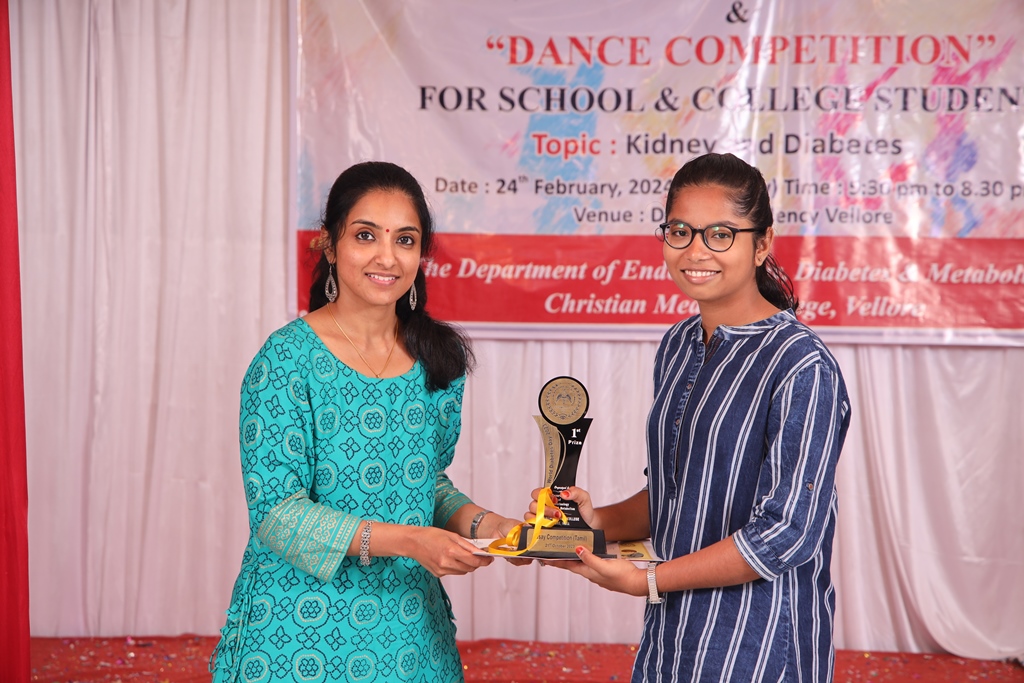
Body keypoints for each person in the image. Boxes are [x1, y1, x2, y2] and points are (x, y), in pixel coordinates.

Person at [531, 153, 851, 682]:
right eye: (680, 231)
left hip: (759, 646)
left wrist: (647, 580)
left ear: (762, 244)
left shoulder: (801, 365)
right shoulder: (679, 345)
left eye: (720, 234)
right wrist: (590, 525)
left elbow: (785, 533)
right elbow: (676, 493)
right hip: (672, 641)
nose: (695, 251)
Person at [210, 161, 520, 683]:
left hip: (410, 638)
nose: (387, 257)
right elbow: (277, 514)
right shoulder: (286, 360)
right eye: (365, 235)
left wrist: (488, 527)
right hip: (296, 635)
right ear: (330, 245)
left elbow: (426, 483)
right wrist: (411, 542)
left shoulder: (436, 359)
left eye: (405, 240)